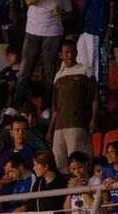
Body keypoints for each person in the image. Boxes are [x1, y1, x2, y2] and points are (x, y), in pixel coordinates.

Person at [49, 40, 97, 173]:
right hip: (59, 126)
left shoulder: (85, 70)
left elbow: (94, 99)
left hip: (77, 123)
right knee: (59, 162)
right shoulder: (58, 75)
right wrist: (50, 129)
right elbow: (55, 107)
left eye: (72, 52)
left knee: (76, 162)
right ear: (61, 55)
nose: (70, 55)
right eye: (66, 52)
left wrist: (93, 119)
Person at [17, 0, 70, 101]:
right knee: (25, 69)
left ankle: (47, 105)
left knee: (49, 71)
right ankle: (18, 104)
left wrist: (60, 13)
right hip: (33, 29)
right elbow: (28, 2)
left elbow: (67, 10)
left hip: (53, 31)